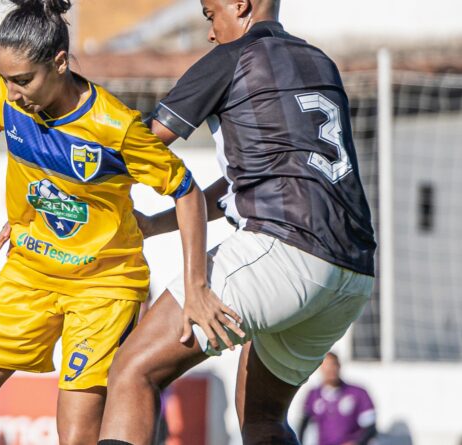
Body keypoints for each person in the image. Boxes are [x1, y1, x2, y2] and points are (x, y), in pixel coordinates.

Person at [0, 1, 226, 444]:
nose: (12, 93)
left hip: (102, 287)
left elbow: (186, 191)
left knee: (77, 437)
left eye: (22, 81)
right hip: (29, 273)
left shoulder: (116, 127)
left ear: (58, 63)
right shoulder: (5, 94)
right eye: (4, 79)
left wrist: (196, 286)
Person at [93, 1, 378, 444]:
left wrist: (50, 188)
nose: (210, 32)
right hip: (352, 272)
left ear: (240, 4)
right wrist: (154, 224)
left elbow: (140, 149)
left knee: (133, 371)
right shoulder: (320, 62)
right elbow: (253, 182)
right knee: (264, 419)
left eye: (210, 14)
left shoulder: (232, 58)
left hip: (287, 251)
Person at [299, 352, 377, 445]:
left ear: (339, 366)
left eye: (333, 365)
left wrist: (357, 442)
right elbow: (303, 425)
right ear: (320, 369)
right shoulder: (313, 394)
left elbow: (371, 428)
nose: (331, 369)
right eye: (326, 366)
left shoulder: (358, 393)